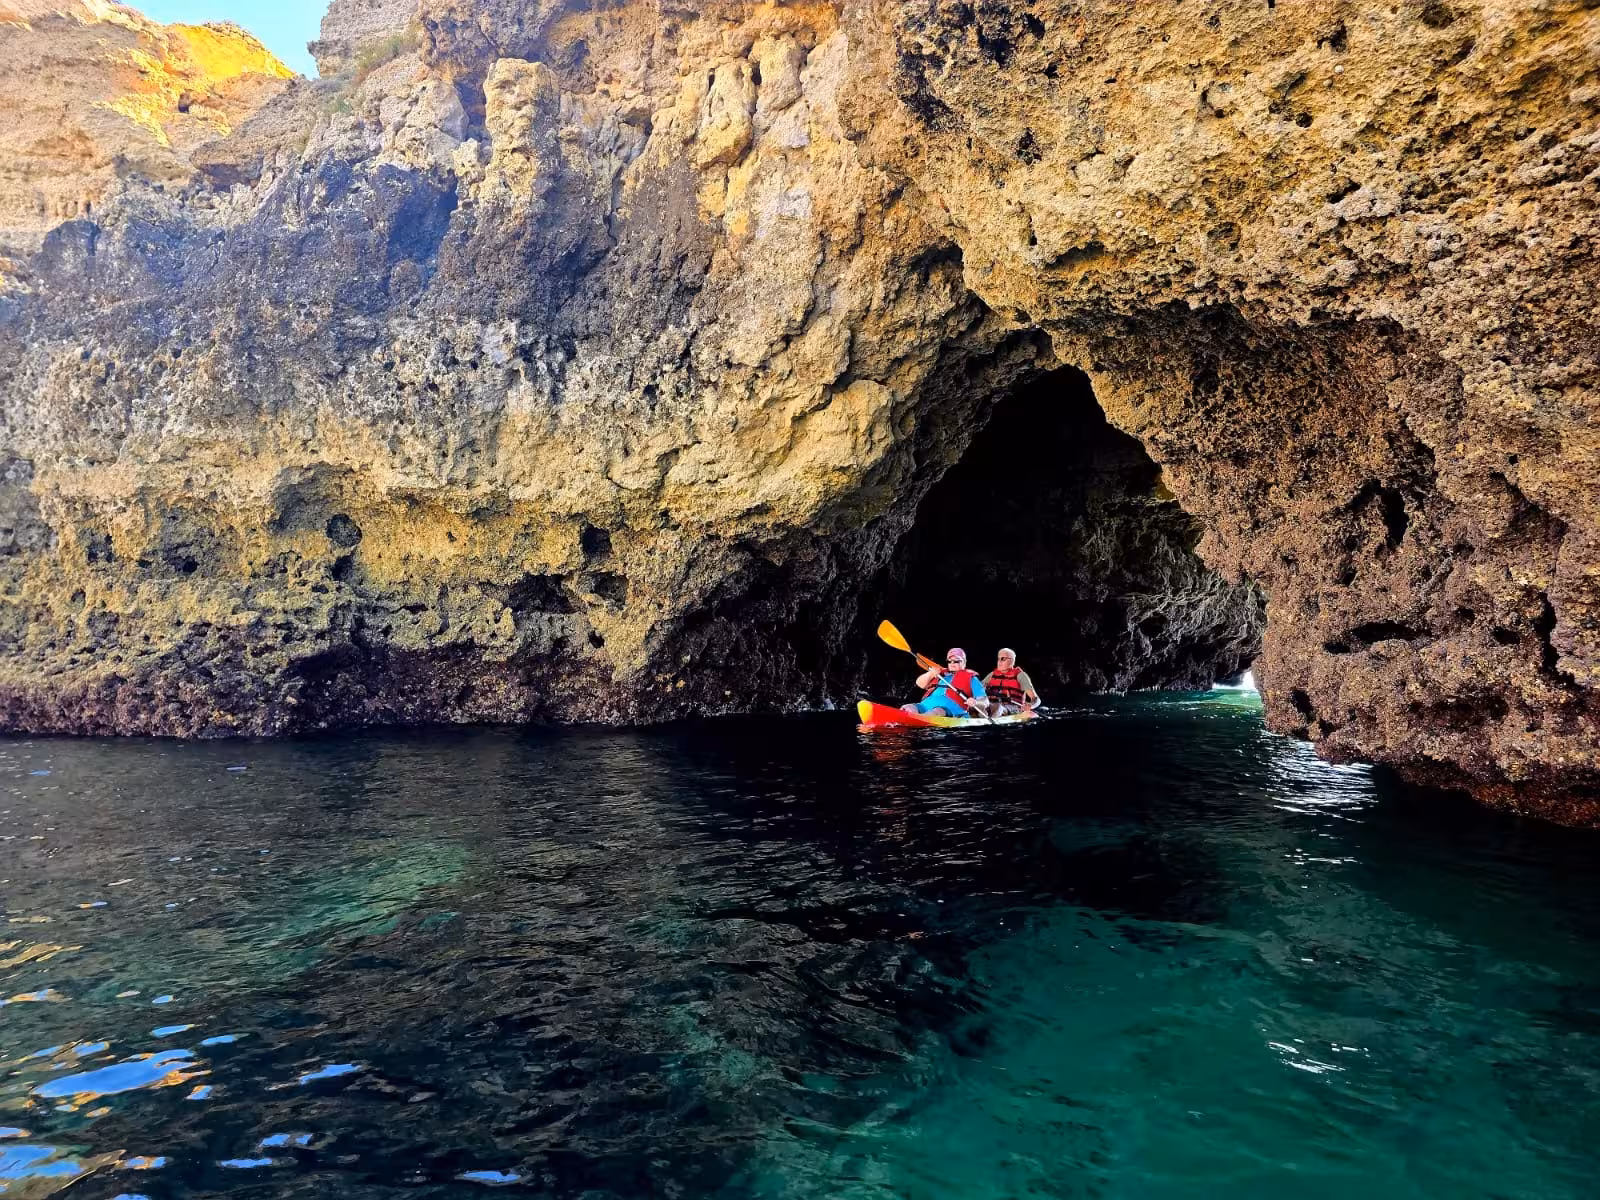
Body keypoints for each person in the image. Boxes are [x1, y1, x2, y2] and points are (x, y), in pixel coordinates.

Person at [901, 647, 987, 717]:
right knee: (907, 708)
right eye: (949, 661)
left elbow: (985, 701)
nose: (952, 663)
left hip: (950, 710)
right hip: (925, 705)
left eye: (957, 661)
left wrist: (975, 702)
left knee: (936, 711)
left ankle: (918, 723)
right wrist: (930, 674)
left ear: (964, 662)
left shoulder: (972, 679)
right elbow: (919, 684)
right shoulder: (941, 674)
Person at [982, 648, 1040, 716]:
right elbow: (979, 689)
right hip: (992, 705)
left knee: (998, 708)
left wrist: (1030, 705)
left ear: (1012, 661)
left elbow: (1036, 699)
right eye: (998, 658)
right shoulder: (992, 674)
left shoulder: (1021, 676)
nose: (999, 661)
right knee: (981, 706)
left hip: (1013, 708)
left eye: (1003, 659)